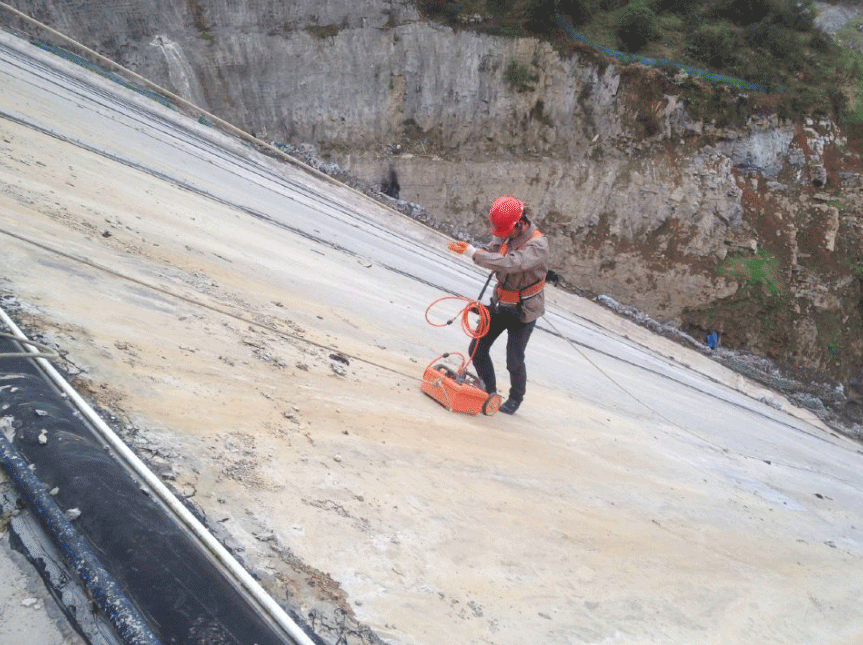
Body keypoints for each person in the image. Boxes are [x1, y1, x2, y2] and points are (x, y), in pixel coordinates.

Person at [447, 196, 549, 414]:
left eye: (505, 233)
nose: (501, 237)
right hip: (501, 303)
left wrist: (474, 254)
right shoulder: (505, 234)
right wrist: (475, 250)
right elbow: (493, 250)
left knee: (514, 359)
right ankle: (489, 392)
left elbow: (512, 263)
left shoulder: (538, 246)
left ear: (520, 223)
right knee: (477, 348)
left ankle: (515, 398)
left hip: (524, 311)